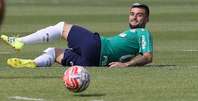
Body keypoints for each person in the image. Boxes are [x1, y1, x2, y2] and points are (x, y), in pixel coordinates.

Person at [0, 3, 153, 68]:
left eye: (140, 15)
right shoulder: (135, 36)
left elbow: (147, 56)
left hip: (97, 46)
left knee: (61, 27)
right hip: (92, 63)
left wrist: (125, 65)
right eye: (132, 14)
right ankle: (33, 63)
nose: (134, 17)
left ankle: (19, 40)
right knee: (53, 53)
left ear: (147, 19)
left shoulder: (143, 32)